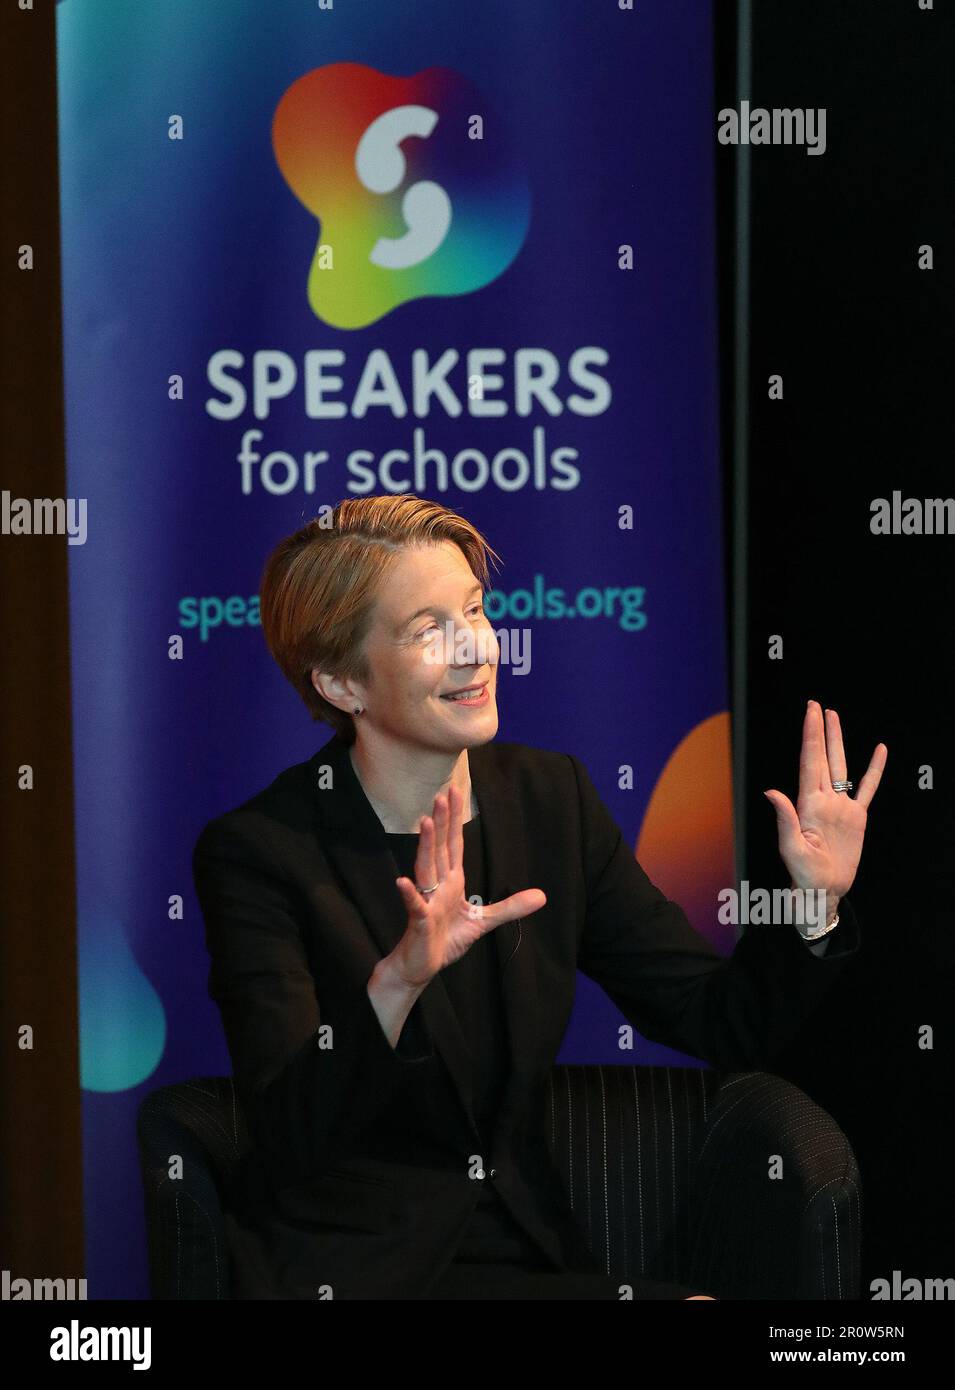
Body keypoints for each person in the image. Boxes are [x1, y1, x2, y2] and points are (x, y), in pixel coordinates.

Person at [192, 494, 886, 1300]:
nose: (476, 649)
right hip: (353, 1270)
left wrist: (811, 905)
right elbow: (288, 1135)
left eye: (476, 612)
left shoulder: (550, 799)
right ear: (342, 682)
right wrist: (396, 984)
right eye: (427, 630)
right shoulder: (261, 853)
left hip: (530, 1249)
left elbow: (715, 1018)